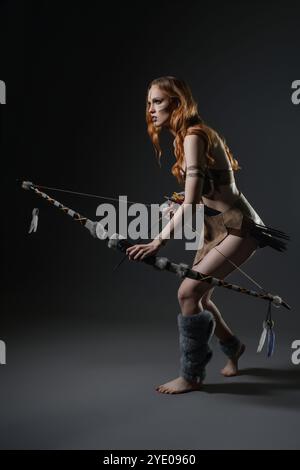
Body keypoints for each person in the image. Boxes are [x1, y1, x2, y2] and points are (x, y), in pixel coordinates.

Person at [126, 76, 289, 395]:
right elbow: (199, 195)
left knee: (187, 294)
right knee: (199, 296)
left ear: (176, 102)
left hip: (239, 225)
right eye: (149, 103)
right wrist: (178, 204)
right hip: (219, 225)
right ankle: (233, 348)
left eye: (157, 101)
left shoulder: (193, 136)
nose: (151, 109)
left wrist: (157, 241)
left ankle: (191, 375)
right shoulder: (185, 136)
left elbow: (192, 201)